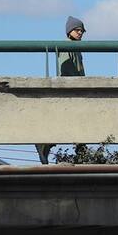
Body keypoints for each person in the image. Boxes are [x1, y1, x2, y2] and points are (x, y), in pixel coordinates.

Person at [37, 16, 87, 164]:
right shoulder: (66, 46)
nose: (80, 33)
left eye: (82, 31)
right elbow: (66, 69)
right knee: (72, 121)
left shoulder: (77, 49)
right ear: (69, 31)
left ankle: (48, 145)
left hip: (76, 89)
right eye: (77, 30)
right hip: (70, 90)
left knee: (74, 123)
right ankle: (45, 144)